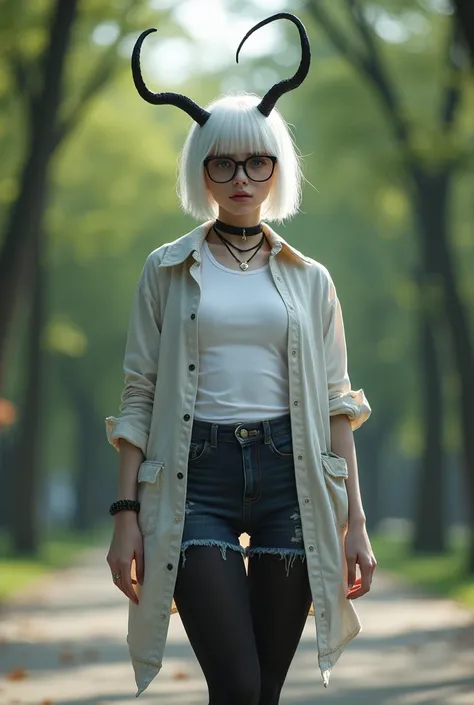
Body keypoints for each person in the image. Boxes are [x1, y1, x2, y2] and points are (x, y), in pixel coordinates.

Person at [105, 11, 376, 704]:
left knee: (265, 691)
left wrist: (356, 525)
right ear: (203, 171)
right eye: (221, 162)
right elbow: (140, 393)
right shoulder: (165, 269)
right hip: (197, 482)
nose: (241, 177)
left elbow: (338, 402)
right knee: (236, 681)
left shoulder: (310, 278)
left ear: (276, 168)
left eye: (257, 161)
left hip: (294, 480)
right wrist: (126, 513)